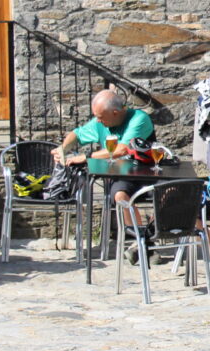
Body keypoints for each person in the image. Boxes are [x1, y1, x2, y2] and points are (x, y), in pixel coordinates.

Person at [51, 89, 156, 257]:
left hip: (147, 170)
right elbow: (77, 134)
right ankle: (141, 240)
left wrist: (86, 157)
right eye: (96, 117)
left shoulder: (139, 119)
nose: (98, 121)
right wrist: (63, 149)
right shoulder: (101, 122)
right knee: (120, 195)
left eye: (100, 117)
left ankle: (147, 237)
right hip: (121, 174)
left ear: (116, 113)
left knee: (171, 191)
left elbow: (122, 149)